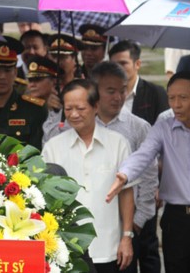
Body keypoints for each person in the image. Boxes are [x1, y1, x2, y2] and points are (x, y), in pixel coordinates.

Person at [106, 71, 190, 273]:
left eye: (183, 98)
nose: (176, 104)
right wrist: (125, 174)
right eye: (171, 98)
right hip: (177, 220)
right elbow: (144, 153)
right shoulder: (164, 125)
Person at [42, 79, 134, 272]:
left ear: (96, 106)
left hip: (109, 246)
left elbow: (126, 193)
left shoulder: (118, 143)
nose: (74, 114)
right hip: (68, 249)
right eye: (68, 109)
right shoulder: (53, 147)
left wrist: (127, 236)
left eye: (80, 108)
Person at [91, 62, 159, 273]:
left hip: (127, 226)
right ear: (94, 92)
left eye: (123, 90)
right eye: (110, 91)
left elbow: (149, 179)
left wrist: (136, 225)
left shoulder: (138, 127)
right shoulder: (82, 124)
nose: (118, 97)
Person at [0, 38, 47, 150]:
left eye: (7, 70)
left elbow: (36, 152)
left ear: (15, 72)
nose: (2, 76)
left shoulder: (34, 109)